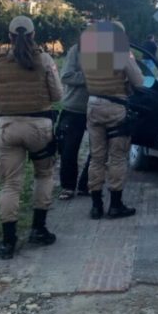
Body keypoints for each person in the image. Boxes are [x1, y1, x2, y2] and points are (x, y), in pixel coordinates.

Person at [0, 16, 63, 259]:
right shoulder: (45, 60)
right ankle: (39, 229)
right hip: (39, 127)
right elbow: (57, 95)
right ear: (33, 35)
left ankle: (8, 241)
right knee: (44, 175)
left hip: (8, 127)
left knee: (10, 184)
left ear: (9, 36)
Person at [81, 20, 144, 220]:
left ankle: (96, 205)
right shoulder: (122, 54)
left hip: (93, 106)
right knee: (117, 157)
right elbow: (139, 81)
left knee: (96, 157)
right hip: (116, 107)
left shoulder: (89, 54)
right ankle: (115, 205)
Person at [56, 40, 90, 200]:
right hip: (74, 108)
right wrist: (91, 77)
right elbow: (66, 76)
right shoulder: (76, 50)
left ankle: (86, 184)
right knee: (69, 150)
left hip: (96, 108)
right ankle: (68, 186)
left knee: (98, 151)